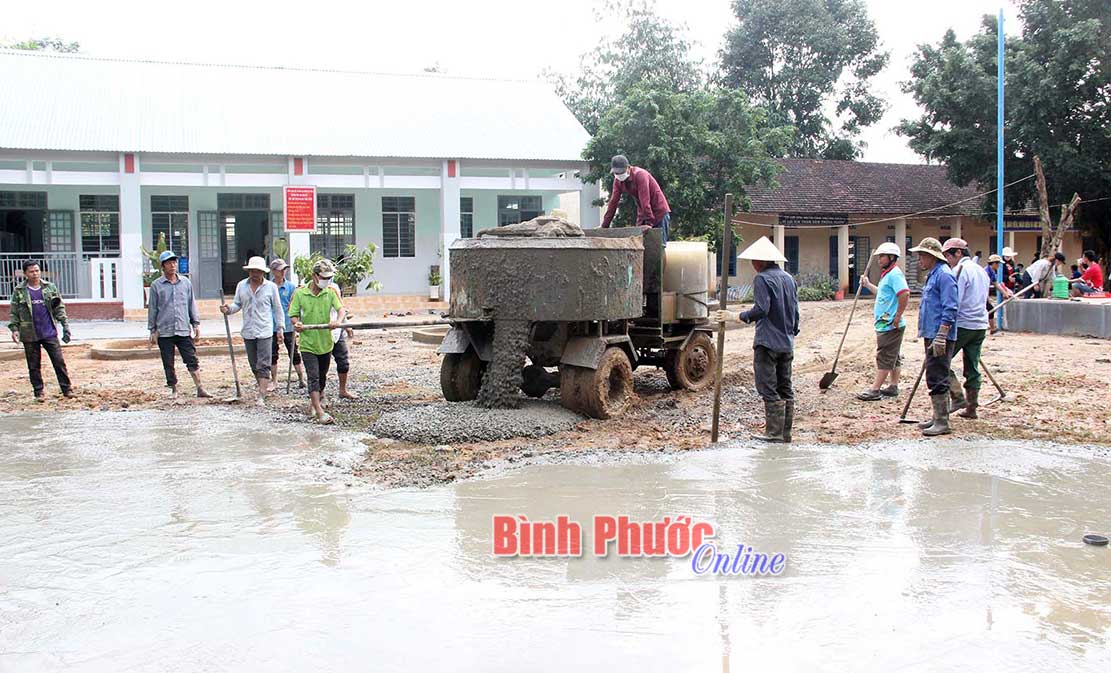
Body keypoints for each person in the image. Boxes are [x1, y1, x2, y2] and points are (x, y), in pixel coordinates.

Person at [714, 236, 799, 442]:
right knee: (785, 386)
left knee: (767, 387)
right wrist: (791, 332)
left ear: (761, 261)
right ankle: (785, 433)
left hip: (767, 342)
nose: (752, 265)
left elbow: (762, 309)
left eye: (753, 261)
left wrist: (737, 316)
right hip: (786, 342)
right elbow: (795, 313)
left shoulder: (762, 279)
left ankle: (773, 433)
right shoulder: (789, 278)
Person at [907, 237, 958, 436]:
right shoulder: (933, 275)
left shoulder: (944, 275)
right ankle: (938, 417)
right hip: (932, 332)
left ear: (931, 256)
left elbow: (950, 307)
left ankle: (942, 422)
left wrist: (942, 334)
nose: (919, 260)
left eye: (921, 256)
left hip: (940, 334)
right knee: (934, 373)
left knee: (938, 375)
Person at [221, 256, 284, 406]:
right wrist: (228, 309)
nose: (254, 274)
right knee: (253, 363)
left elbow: (277, 308)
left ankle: (262, 394)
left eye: (257, 271)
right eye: (252, 271)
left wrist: (280, 328)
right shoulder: (241, 286)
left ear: (263, 272)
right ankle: (262, 386)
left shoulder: (270, 287)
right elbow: (237, 304)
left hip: (265, 331)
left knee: (263, 363)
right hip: (249, 331)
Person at [288, 259, 346, 424]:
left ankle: (316, 400)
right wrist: (296, 323)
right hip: (308, 343)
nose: (326, 281)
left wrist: (338, 321)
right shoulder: (301, 293)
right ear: (314, 276)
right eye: (324, 277)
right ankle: (319, 411)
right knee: (313, 376)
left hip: (325, 342)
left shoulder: (330, 292)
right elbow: (293, 314)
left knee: (322, 376)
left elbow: (341, 309)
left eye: (329, 278)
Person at [8, 260, 74, 401]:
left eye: (37, 270)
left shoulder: (49, 288)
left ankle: (67, 389)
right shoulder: (19, 291)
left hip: (49, 331)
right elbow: (14, 312)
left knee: (59, 361)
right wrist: (14, 329)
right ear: (25, 273)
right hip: (29, 333)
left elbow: (59, 308)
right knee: (33, 365)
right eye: (31, 271)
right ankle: (39, 392)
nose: (35, 274)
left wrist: (65, 326)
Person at [147, 251, 209, 399]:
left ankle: (200, 388)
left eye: (174, 262)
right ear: (163, 266)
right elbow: (153, 309)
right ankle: (174, 390)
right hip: (165, 330)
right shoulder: (156, 286)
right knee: (168, 362)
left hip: (183, 329)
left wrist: (195, 323)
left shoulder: (185, 283)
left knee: (191, 358)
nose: (173, 265)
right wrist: (152, 330)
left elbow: (191, 303)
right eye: (169, 263)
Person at [941, 238, 990, 419]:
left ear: (958, 253)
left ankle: (957, 396)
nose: (947, 260)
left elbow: (955, 300)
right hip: (979, 325)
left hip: (962, 324)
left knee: (940, 362)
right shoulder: (981, 270)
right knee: (972, 367)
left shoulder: (959, 270)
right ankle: (971, 408)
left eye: (948, 255)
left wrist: (944, 325)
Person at [855, 242, 909, 401]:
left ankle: (875, 389)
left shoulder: (895, 275)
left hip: (890, 324)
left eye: (882, 256)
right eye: (879, 256)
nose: (879, 259)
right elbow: (882, 294)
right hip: (886, 323)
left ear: (892, 258)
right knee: (893, 356)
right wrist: (867, 284)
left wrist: (898, 316)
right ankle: (893, 386)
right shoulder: (888, 274)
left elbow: (904, 294)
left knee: (884, 355)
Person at [600, 155, 672, 243]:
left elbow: (645, 201)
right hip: (643, 213)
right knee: (639, 245)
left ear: (628, 168)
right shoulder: (618, 181)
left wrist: (649, 224)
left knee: (658, 246)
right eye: (616, 173)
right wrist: (604, 227)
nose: (619, 175)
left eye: (621, 172)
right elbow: (613, 203)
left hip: (659, 212)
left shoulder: (640, 175)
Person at [269, 258, 305, 390]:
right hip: (271, 325)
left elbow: (295, 304)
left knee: (294, 352)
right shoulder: (268, 286)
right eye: (280, 270)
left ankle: (301, 378)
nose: (283, 272)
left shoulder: (291, 287)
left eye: (285, 269)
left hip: (288, 324)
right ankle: (274, 381)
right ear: (274, 271)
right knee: (273, 353)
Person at [323, 283, 358, 401]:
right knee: (322, 365)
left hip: (337, 331)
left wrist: (347, 325)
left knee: (343, 362)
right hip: (321, 332)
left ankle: (342, 390)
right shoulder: (311, 289)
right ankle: (320, 393)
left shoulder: (334, 287)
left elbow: (340, 309)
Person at [985, 254, 1013, 333]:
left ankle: (992, 328)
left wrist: (1004, 293)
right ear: (994, 263)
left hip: (984, 294)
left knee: (990, 309)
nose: (998, 266)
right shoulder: (986, 272)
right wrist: (987, 298)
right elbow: (984, 286)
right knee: (989, 309)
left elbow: (995, 283)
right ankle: (992, 328)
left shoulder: (992, 272)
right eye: (998, 264)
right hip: (980, 294)